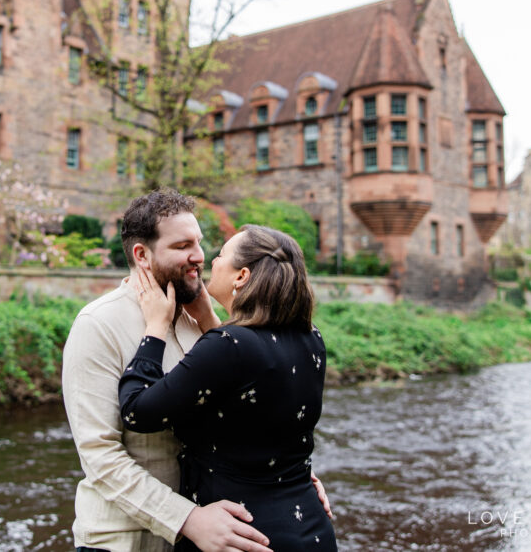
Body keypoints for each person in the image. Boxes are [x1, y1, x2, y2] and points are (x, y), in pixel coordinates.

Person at [62, 190, 330, 551]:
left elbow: (246, 407)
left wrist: (286, 474)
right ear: (142, 254)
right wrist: (186, 518)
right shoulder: (98, 324)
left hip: (214, 537)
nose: (200, 256)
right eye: (183, 245)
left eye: (201, 243)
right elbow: (100, 457)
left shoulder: (203, 320)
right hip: (127, 541)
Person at [119, 224, 338, 551]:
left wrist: (155, 328)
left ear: (241, 276)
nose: (210, 260)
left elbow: (137, 412)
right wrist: (209, 319)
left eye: (221, 254)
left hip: (243, 536)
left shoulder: (228, 345)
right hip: (309, 528)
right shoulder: (311, 337)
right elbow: (251, 397)